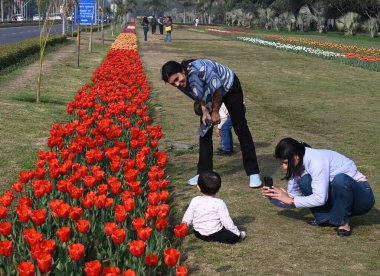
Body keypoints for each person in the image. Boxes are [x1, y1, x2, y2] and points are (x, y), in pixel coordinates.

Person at [161, 59, 262, 188]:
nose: (177, 84)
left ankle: (253, 172)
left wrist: (215, 111)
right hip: (210, 93)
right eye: (173, 83)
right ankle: (203, 173)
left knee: (240, 127)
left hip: (228, 85)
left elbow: (218, 87)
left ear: (182, 71)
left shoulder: (200, 69)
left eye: (177, 79)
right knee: (205, 131)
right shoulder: (181, 83)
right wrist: (204, 111)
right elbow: (198, 95)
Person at [262, 137, 375, 237]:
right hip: (338, 196)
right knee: (305, 181)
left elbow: (319, 198)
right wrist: (275, 198)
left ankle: (343, 222)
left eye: (286, 162)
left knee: (340, 179)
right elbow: (293, 199)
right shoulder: (297, 166)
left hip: (362, 199)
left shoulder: (316, 161)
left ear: (295, 156)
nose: (284, 167)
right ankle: (326, 219)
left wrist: (291, 200)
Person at [182, 171, 246, 244]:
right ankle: (240, 235)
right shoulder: (219, 203)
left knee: (224, 229)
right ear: (218, 189)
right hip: (215, 234)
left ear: (198, 188)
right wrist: (237, 233)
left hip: (198, 233)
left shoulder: (195, 200)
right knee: (233, 237)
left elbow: (188, 215)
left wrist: (183, 227)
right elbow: (226, 221)